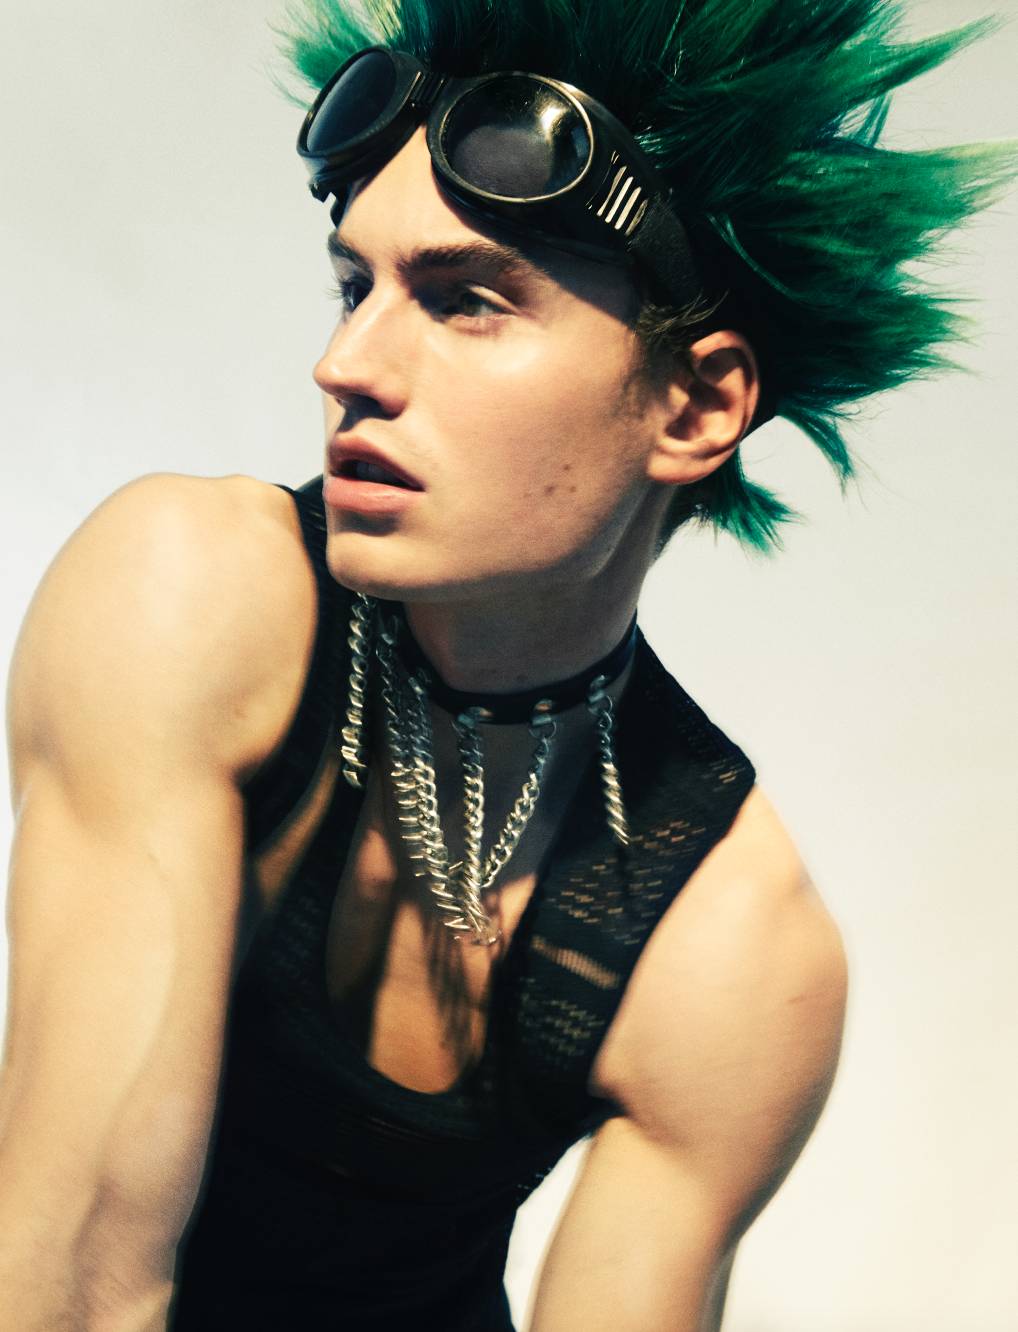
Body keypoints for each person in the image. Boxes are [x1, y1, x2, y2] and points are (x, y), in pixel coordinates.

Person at [0, 1, 1013, 1328]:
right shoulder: (190, 592)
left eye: (468, 302)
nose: (347, 363)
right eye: (356, 287)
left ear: (696, 406)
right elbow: (75, 1279)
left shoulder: (732, 945)